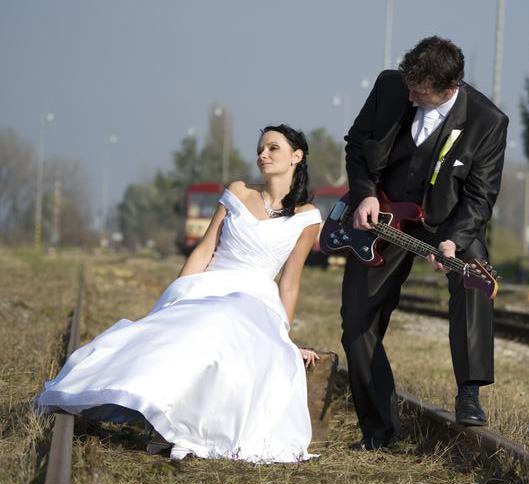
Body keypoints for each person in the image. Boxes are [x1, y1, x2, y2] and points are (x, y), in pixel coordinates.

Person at [36, 124, 323, 462]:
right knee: (186, 327)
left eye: (273, 148)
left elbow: (289, 281)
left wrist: (282, 337)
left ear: (296, 156)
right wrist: (175, 297)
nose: (263, 154)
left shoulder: (307, 217)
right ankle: (158, 415)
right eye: (260, 148)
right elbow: (204, 250)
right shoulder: (238, 191)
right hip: (210, 285)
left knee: (225, 318)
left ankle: (185, 427)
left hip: (255, 299)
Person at [341, 36, 508, 450]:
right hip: (383, 213)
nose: (411, 97)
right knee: (356, 319)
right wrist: (364, 194)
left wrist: (454, 240)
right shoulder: (389, 86)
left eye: (421, 92)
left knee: (472, 269)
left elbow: (480, 197)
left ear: (450, 87)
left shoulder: (488, 122)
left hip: (447, 220)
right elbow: (356, 145)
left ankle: (469, 391)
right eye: (409, 87)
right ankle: (379, 430)